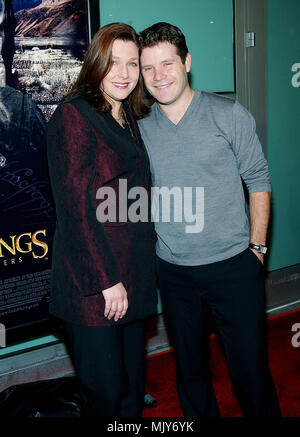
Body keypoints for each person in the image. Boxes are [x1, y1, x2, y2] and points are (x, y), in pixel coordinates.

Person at [138, 22, 281, 417]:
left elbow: (259, 180)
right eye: (148, 68)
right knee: (190, 371)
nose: (159, 76)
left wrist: (257, 250)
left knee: (250, 371)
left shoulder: (228, 113)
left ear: (187, 62)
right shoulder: (142, 128)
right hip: (174, 270)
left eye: (167, 64)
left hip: (234, 266)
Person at [46, 23, 157, 417]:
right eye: (114, 63)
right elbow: (75, 210)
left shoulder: (126, 114)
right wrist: (107, 281)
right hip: (95, 286)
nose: (124, 74)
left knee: (130, 392)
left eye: (132, 64)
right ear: (96, 64)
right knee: (105, 398)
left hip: (133, 277)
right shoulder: (73, 116)